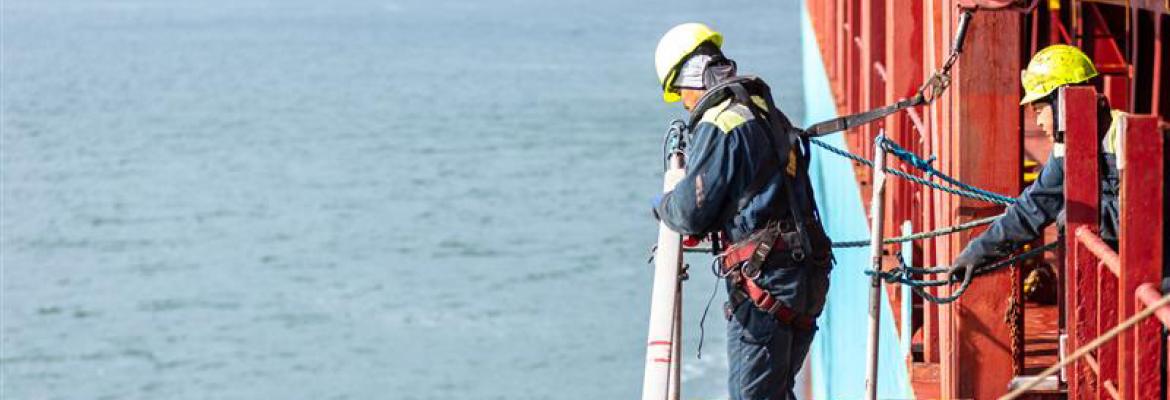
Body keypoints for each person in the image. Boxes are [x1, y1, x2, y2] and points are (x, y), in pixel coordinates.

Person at [651, 23, 833, 400]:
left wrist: (663, 203)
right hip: (807, 275)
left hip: (769, 284)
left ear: (689, 75)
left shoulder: (720, 123)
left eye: (680, 92)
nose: (684, 103)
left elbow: (689, 213)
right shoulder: (765, 111)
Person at [951, 44, 1123, 274]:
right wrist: (976, 254)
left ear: (1061, 101)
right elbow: (1033, 207)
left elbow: (1141, 218)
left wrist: (1080, 219)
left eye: (1040, 109)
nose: (1039, 122)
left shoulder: (1126, 139)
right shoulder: (1067, 148)